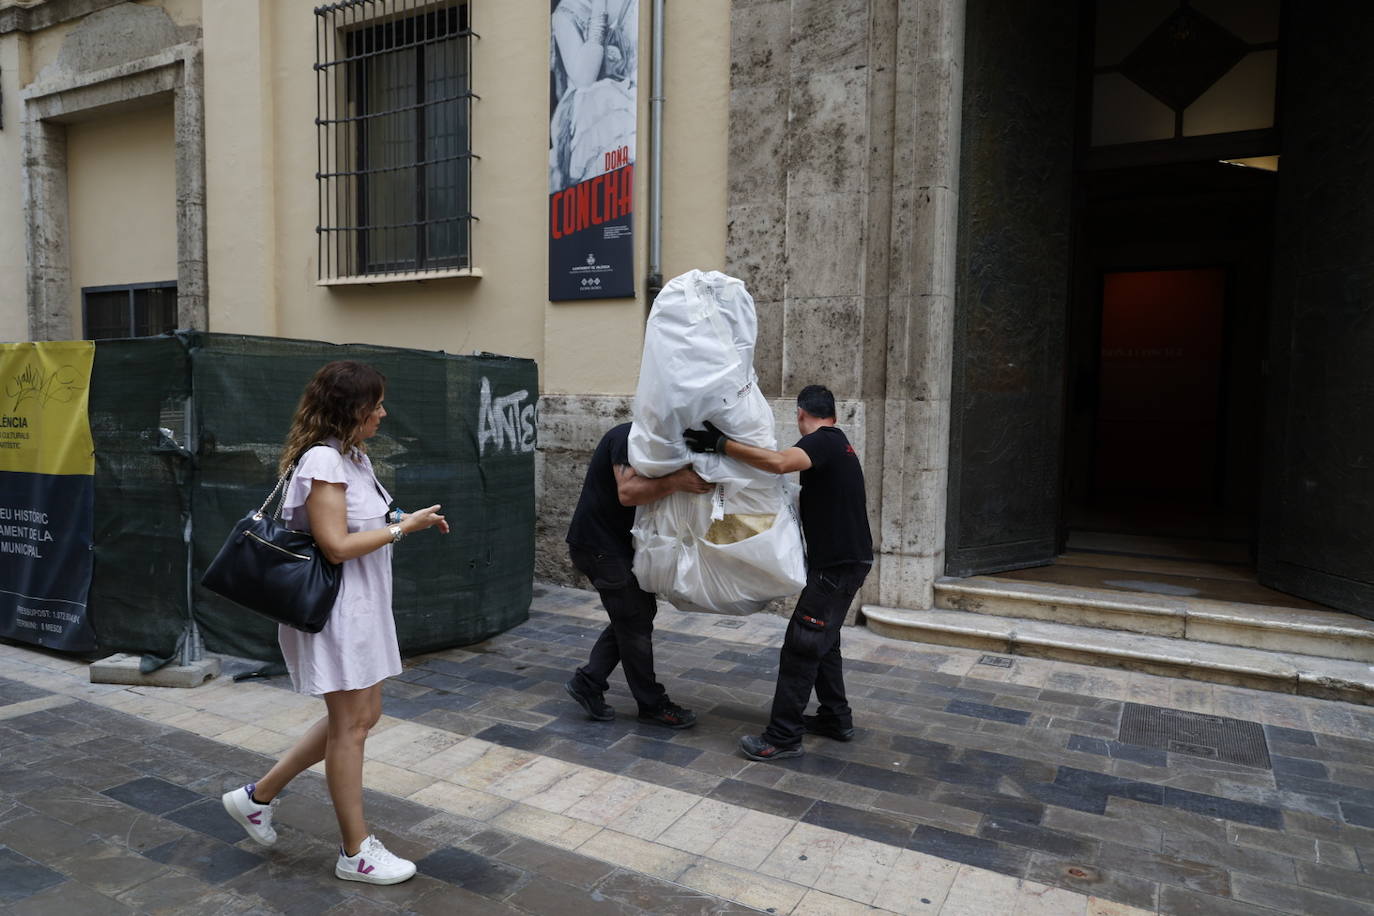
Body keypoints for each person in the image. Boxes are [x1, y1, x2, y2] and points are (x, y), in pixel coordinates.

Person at [220, 361, 449, 885]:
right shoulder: (323, 461)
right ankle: (355, 852)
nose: (384, 414)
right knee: (351, 727)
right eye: (377, 406)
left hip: (362, 608)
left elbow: (369, 521)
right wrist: (403, 529)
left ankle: (256, 797)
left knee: (361, 717)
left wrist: (407, 520)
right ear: (353, 410)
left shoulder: (353, 456)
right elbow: (336, 546)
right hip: (335, 612)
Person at [684, 385, 873, 761]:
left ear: (802, 413)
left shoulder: (825, 441)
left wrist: (720, 445)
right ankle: (836, 717)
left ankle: (783, 737)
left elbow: (778, 463)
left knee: (802, 646)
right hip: (845, 564)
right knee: (824, 642)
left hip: (836, 568)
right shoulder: (840, 446)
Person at [564, 422, 711, 728]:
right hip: (599, 546)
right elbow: (628, 492)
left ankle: (589, 682)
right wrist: (679, 480)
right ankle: (652, 703)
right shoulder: (627, 437)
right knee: (634, 619)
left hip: (616, 545)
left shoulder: (658, 443)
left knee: (634, 615)